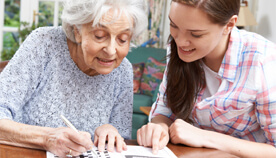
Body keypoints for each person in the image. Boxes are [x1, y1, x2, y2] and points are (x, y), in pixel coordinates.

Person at [0, 0, 147, 157]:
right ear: (77, 30)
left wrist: (111, 132)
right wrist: (46, 138)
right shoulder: (43, 43)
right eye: (99, 36)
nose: (111, 51)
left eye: (123, 39)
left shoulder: (123, 71)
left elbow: (121, 141)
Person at [137, 0, 276, 157]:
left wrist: (204, 137)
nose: (180, 42)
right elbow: (165, 110)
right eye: (174, 25)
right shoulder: (178, 48)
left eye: (196, 34)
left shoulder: (263, 60)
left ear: (229, 25)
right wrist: (159, 127)